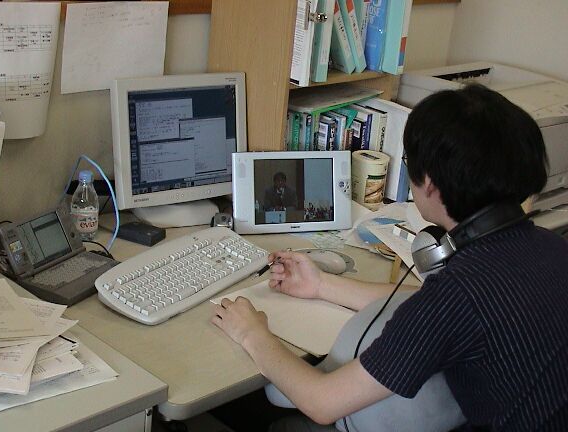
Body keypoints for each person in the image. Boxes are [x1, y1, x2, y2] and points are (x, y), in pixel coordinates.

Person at [211, 85, 568, 432]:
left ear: (429, 182)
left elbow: (322, 402)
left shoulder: (456, 296)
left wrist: (252, 333)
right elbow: (429, 302)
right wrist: (321, 285)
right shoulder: (551, 246)